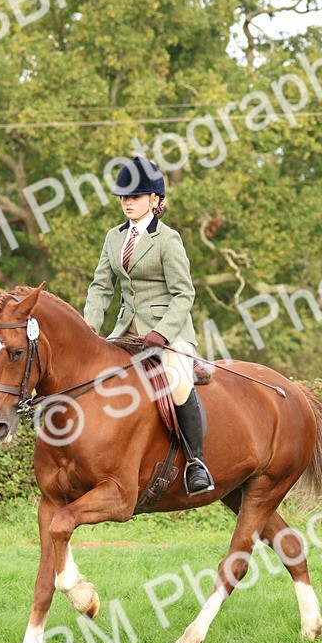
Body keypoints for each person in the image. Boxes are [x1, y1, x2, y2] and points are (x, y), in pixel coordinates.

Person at [82, 157, 215, 496]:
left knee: (177, 380)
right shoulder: (114, 237)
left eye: (136, 197)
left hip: (166, 333)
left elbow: (184, 293)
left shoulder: (168, 240)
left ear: (155, 200)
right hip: (125, 330)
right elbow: (101, 287)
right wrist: (88, 330)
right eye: (124, 197)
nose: (127, 202)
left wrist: (161, 332)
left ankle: (197, 463)